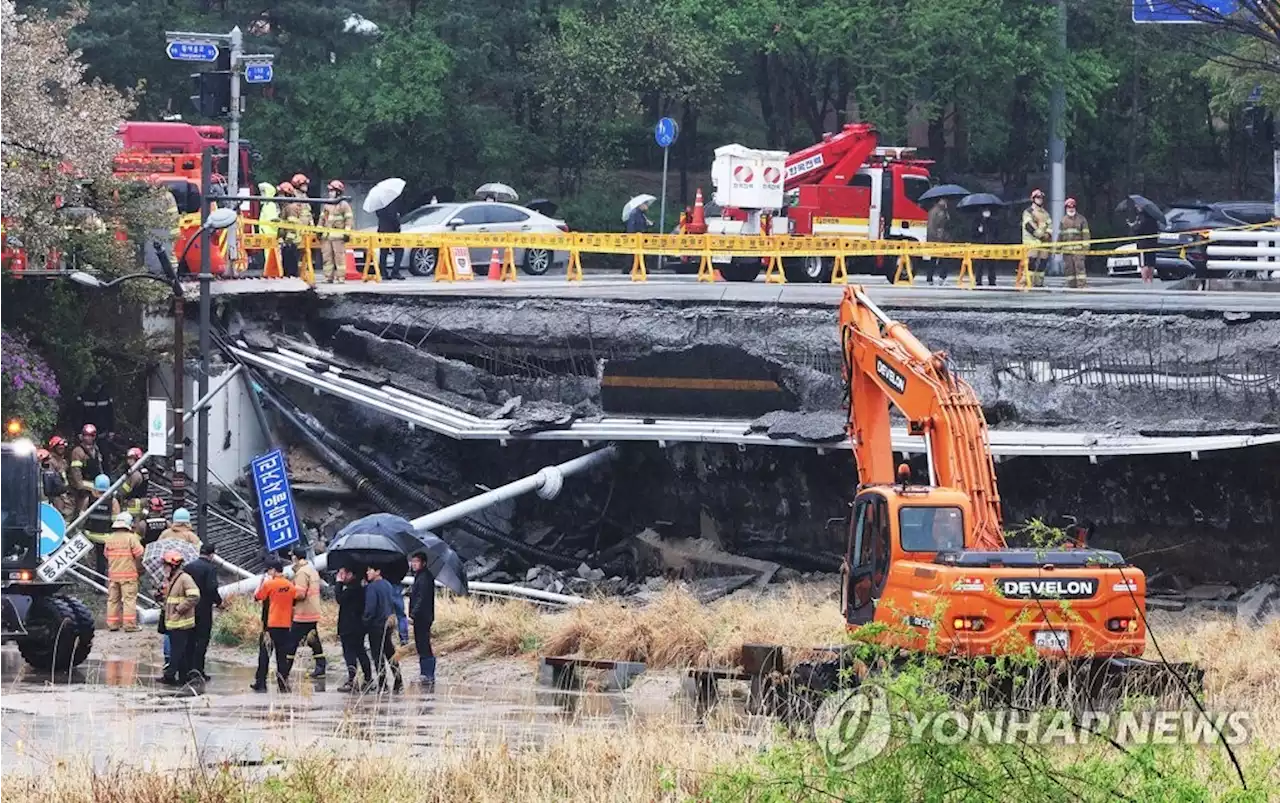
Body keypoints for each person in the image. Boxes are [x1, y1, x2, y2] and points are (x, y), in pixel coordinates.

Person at [252, 556, 296, 692]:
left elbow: (258, 597)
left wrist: (261, 582)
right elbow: (294, 601)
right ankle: (283, 684)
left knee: (265, 654)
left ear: (273, 570)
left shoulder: (269, 584)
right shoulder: (290, 585)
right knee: (282, 657)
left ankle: (261, 683)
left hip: (270, 626)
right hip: (285, 625)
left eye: (269, 570)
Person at [158, 550, 200, 686]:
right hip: (173, 622)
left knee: (177, 651)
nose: (164, 568)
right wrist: (160, 595)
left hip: (181, 622)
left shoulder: (185, 578)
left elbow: (194, 596)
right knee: (180, 653)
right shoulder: (171, 579)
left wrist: (179, 609)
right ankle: (184, 677)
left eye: (166, 565)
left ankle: (169, 675)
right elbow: (170, 599)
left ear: (173, 565)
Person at [362, 565, 406, 693]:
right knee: (390, 652)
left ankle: (383, 684)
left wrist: (365, 621)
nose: (367, 572)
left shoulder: (372, 587)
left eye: (370, 570)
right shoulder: (387, 585)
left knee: (378, 655)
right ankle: (398, 681)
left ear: (378, 571)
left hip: (376, 625)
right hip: (388, 623)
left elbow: (370, 608)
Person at [286, 544, 327, 679]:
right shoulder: (312, 570)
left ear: (295, 558)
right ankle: (321, 666)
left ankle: (285, 670)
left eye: (292, 556)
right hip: (313, 612)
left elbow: (300, 594)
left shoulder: (302, 572)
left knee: (292, 641)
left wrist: (289, 596)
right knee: (313, 640)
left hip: (303, 613)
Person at [183, 542, 222, 682]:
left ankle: (187, 669)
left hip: (189, 608)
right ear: (212, 555)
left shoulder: (188, 567)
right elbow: (211, 589)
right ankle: (198, 670)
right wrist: (219, 602)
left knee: (190, 640)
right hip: (204, 609)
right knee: (202, 640)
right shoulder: (210, 568)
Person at [104, 512, 144, 632]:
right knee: (129, 600)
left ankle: (112, 624)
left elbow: (106, 555)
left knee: (113, 600)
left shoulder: (109, 539)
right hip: (128, 575)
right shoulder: (131, 538)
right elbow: (140, 554)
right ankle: (130, 625)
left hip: (113, 575)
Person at [335, 566, 372, 692]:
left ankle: (352, 680)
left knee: (350, 653)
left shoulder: (352, 589)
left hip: (349, 626)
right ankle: (368, 678)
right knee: (361, 651)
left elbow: (339, 599)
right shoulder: (362, 588)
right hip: (359, 626)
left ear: (350, 574)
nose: (340, 576)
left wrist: (338, 583)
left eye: (342, 573)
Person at [408, 552, 437, 688]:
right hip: (422, 616)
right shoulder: (420, 576)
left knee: (424, 644)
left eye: (416, 562)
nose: (413, 564)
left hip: (423, 616)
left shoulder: (425, 577)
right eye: (413, 561)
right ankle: (424, 673)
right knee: (420, 644)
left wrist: (413, 614)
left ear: (423, 563)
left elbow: (422, 598)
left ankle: (428, 674)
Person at [83, 474, 120, 577]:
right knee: (102, 560)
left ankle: (88, 575)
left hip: (89, 534)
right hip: (105, 536)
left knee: (89, 558)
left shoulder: (89, 499)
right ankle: (100, 580)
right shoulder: (112, 501)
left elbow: (82, 516)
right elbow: (117, 520)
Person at [318, 180, 354, 284]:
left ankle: (340, 278)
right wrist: (319, 230)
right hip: (327, 236)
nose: (330, 193)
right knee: (327, 258)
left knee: (339, 258)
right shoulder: (327, 204)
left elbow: (349, 220)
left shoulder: (344, 205)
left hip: (338, 236)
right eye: (329, 190)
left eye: (332, 190)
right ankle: (328, 277)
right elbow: (322, 218)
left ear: (338, 192)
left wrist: (347, 233)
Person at [68, 423, 104, 515]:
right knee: (84, 502)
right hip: (82, 486)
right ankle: (79, 522)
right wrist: (80, 487)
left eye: (91, 435)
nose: (88, 438)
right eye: (86, 435)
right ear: (82, 436)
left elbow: (99, 467)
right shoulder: (78, 451)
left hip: (94, 484)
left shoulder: (96, 449)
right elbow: (75, 471)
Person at [1021, 188, 1052, 287]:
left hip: (1044, 242)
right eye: (1038, 197)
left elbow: (1050, 225)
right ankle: (1027, 282)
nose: (1040, 199)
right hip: (1031, 242)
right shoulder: (1028, 212)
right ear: (1033, 199)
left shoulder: (1045, 213)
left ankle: (1039, 282)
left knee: (1043, 262)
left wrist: (1047, 234)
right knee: (1031, 263)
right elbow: (1028, 226)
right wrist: (1040, 235)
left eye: (1041, 197)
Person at [1059, 197, 1091, 289]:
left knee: (1079, 268)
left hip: (1078, 250)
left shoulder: (1082, 219)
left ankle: (1082, 285)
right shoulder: (1063, 220)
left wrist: (1085, 248)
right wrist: (1057, 248)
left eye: (1073, 207)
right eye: (1069, 207)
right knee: (1069, 269)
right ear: (1066, 208)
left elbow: (1086, 234)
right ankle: (1071, 286)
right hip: (1067, 251)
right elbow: (1060, 235)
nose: (1071, 209)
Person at [376, 196, 404, 281]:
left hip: (382, 229)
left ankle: (383, 272)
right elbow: (393, 217)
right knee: (399, 250)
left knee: (384, 251)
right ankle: (395, 272)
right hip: (392, 231)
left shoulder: (379, 204)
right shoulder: (391, 202)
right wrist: (397, 225)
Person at [926, 197, 953, 284]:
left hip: (935, 238)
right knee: (945, 258)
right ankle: (941, 277)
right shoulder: (941, 212)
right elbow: (941, 225)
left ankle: (930, 278)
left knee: (933, 259)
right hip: (940, 238)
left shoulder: (933, 210)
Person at [277, 182, 302, 279]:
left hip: (291, 242)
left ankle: (292, 278)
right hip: (288, 241)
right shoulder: (286, 207)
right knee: (287, 264)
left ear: (287, 194)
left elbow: (292, 226)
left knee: (290, 264)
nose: (279, 197)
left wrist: (287, 241)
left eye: (281, 194)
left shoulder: (291, 208)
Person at [972, 206, 1000, 286]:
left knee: (991, 264)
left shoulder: (993, 221)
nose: (987, 212)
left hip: (991, 244)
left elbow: (996, 233)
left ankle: (992, 280)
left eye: (988, 210)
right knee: (979, 264)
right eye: (985, 211)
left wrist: (995, 241)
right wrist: (979, 231)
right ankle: (978, 280)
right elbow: (973, 234)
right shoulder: (977, 221)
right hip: (980, 244)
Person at [120, 446, 149, 518]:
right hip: (142, 503)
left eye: (131, 458)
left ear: (137, 459)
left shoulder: (135, 475)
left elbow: (124, 491)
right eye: (128, 458)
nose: (128, 461)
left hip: (132, 505)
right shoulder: (144, 471)